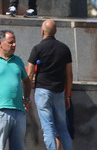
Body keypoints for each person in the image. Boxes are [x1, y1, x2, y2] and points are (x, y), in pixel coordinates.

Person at [26, 19, 74, 150]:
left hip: (42, 91)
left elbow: (30, 73)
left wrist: (26, 96)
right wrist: (67, 96)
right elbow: (69, 75)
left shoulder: (37, 49)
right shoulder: (64, 49)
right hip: (59, 92)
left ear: (42, 31)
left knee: (48, 129)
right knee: (63, 128)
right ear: (56, 32)